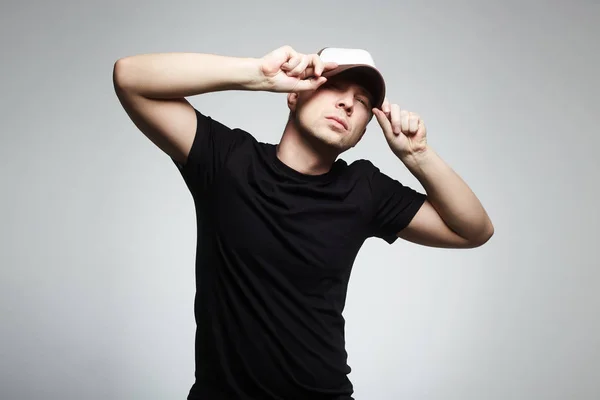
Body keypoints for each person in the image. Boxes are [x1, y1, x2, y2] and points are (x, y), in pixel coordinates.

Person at [113, 45, 494, 400]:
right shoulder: (228, 161)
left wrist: (418, 155)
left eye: (362, 102)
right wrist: (257, 75)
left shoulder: (363, 189)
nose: (347, 103)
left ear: (363, 130)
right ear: (294, 94)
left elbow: (474, 230)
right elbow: (130, 77)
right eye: (335, 87)